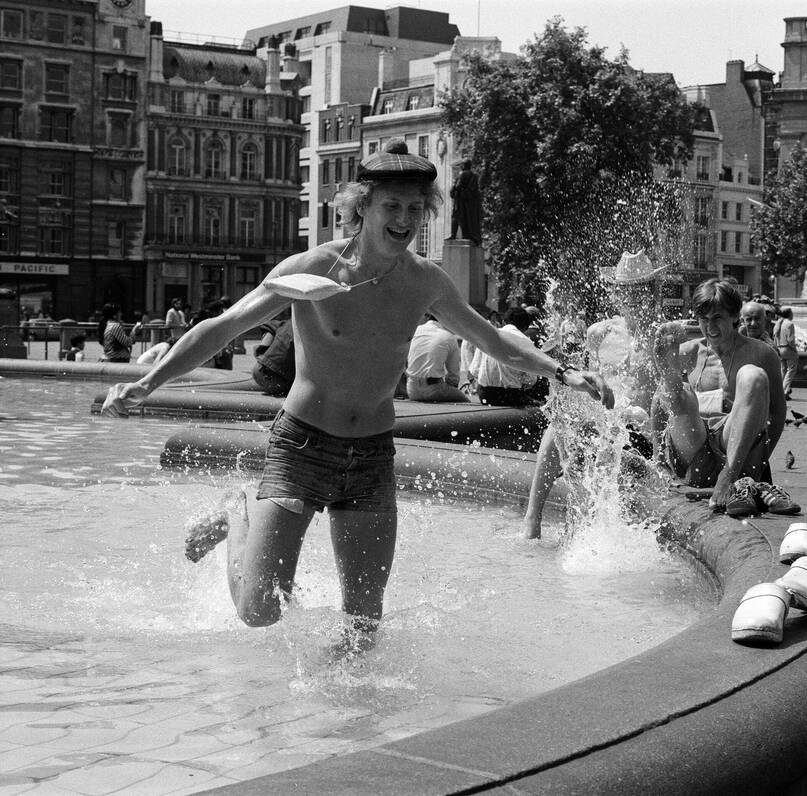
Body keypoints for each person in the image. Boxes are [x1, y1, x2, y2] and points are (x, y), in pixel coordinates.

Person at [100, 138, 609, 655]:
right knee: (260, 612)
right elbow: (223, 327)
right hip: (302, 447)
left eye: (416, 209)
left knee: (363, 629)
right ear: (361, 206)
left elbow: (494, 341)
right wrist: (148, 382)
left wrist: (563, 371)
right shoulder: (311, 269)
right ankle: (237, 512)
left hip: (371, 455)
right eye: (392, 206)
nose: (405, 220)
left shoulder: (425, 282)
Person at [523, 250, 665, 539]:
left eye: (640, 288)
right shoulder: (598, 332)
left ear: (652, 291)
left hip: (639, 431)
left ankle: (576, 527)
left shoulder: (662, 334)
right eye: (626, 289)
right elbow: (590, 385)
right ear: (616, 293)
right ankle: (533, 518)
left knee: (588, 433)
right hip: (605, 421)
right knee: (559, 419)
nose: (633, 296)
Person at [653, 278, 797, 516]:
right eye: (703, 319)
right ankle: (666, 372)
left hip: (735, 453)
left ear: (734, 316)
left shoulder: (762, 353)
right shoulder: (689, 352)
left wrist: (759, 462)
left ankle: (729, 475)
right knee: (677, 389)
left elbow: (777, 413)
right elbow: (659, 401)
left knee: (753, 376)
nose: (710, 327)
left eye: (717, 317)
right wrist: (658, 459)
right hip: (694, 451)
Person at [471, 306, 544, 407]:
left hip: (485, 394)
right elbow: (531, 380)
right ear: (525, 327)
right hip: (510, 396)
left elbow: (474, 371)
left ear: (504, 322)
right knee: (541, 405)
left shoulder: (487, 335)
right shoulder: (525, 341)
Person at [405, 315, 468, 402]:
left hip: (412, 390)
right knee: (465, 400)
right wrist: (452, 387)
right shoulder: (448, 336)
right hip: (434, 389)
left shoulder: (414, 331)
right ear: (446, 320)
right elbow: (453, 376)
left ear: (428, 317)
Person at [251, 317, 295, 397]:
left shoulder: (291, 322)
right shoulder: (315, 326)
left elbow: (270, 326)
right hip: (280, 379)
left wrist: (262, 350)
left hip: (260, 370)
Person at [449, 158, 482, 246]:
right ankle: (468, 235)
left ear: (464, 165)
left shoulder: (463, 174)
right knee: (468, 219)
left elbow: (458, 186)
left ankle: (453, 235)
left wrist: (453, 187)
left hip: (461, 201)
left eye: (462, 164)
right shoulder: (475, 176)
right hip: (470, 202)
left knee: (456, 217)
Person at [774, 307, 799, 400]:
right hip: (788, 349)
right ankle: (783, 391)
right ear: (789, 314)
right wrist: (794, 349)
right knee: (791, 370)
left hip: (779, 348)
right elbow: (790, 340)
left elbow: (775, 337)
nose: (793, 315)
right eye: (792, 313)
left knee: (783, 371)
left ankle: (778, 390)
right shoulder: (789, 324)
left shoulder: (778, 323)